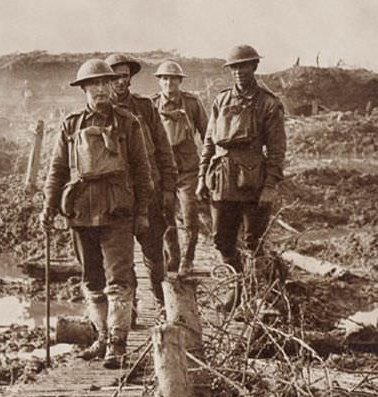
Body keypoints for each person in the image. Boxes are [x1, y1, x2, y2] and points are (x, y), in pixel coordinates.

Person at [43, 59, 154, 369]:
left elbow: (143, 171)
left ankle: (118, 345)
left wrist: (143, 211)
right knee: (91, 279)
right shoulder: (71, 124)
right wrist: (48, 207)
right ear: (84, 90)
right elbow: (57, 170)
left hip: (117, 209)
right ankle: (102, 337)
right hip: (80, 211)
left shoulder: (128, 122)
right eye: (94, 85)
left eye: (105, 83)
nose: (101, 89)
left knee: (118, 279)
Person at [197, 44, 287, 279]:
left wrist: (269, 186)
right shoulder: (221, 100)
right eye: (234, 67)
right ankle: (235, 285)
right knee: (221, 239)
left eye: (244, 66)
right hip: (221, 178)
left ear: (254, 66)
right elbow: (209, 142)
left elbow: (277, 149)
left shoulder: (268, 103)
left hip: (252, 180)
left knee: (253, 241)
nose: (239, 71)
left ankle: (256, 292)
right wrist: (201, 177)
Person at [104, 53, 177, 309]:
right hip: (117, 197)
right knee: (121, 260)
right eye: (115, 78)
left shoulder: (145, 108)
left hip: (149, 191)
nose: (120, 82)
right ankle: (130, 308)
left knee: (154, 253)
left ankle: (160, 302)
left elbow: (164, 150)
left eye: (125, 77)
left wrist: (169, 188)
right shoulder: (102, 113)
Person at [151, 60, 209, 274]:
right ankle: (173, 255)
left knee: (190, 214)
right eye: (165, 79)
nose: (169, 83)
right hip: (164, 171)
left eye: (173, 79)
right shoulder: (152, 105)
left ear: (180, 81)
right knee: (166, 215)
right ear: (159, 82)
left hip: (187, 170)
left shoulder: (192, 103)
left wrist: (206, 166)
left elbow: (207, 133)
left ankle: (188, 258)